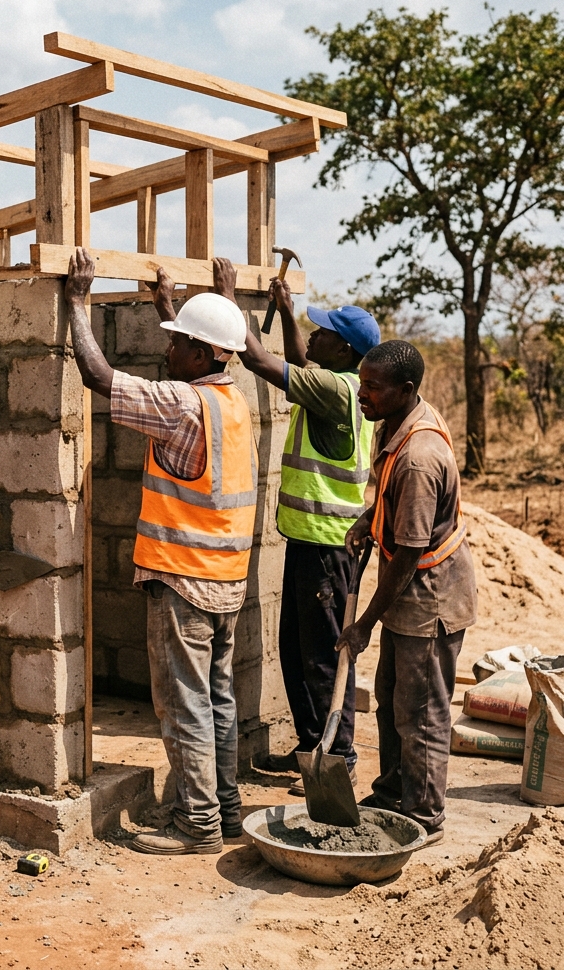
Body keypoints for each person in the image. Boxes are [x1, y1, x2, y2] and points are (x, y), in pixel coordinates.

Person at [64, 246, 257, 855]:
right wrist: (172, 307)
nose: (164, 349)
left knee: (183, 705)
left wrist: (75, 302)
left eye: (176, 342)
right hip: (227, 582)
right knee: (217, 700)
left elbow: (100, 378)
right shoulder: (233, 399)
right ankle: (222, 810)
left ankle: (195, 823)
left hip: (184, 581)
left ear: (201, 353)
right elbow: (197, 359)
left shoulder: (182, 405)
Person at [216, 265, 380, 793]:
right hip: (313, 542)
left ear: (344, 351)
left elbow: (262, 361)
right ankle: (314, 747)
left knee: (324, 654)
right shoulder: (339, 383)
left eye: (324, 332)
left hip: (328, 547)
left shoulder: (336, 391)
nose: (315, 334)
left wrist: (225, 301)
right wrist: (286, 313)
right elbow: (300, 362)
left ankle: (338, 757)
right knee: (296, 647)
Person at [337, 340, 477, 845]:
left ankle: (423, 815)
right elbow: (392, 506)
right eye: (362, 381)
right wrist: (368, 522)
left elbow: (411, 553)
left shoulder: (420, 456)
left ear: (407, 389)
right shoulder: (393, 423)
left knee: (421, 712)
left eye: (373, 387)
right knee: (394, 699)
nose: (362, 394)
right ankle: (395, 792)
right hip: (409, 591)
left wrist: (364, 623)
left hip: (429, 598)